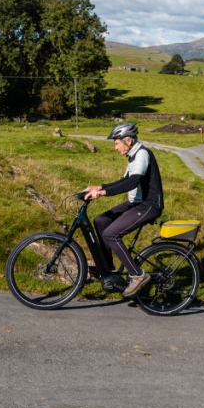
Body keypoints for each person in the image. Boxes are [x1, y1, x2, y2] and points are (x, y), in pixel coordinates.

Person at [83, 123, 164, 297]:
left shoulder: (142, 154)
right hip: (137, 203)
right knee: (101, 221)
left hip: (149, 205)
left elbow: (132, 182)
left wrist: (103, 192)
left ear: (128, 140)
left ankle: (137, 275)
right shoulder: (133, 156)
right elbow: (124, 180)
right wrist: (99, 186)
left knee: (110, 234)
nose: (115, 147)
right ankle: (108, 269)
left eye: (117, 143)